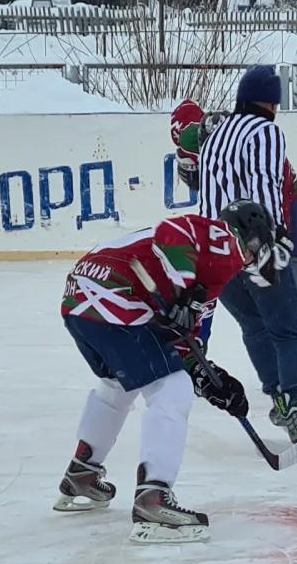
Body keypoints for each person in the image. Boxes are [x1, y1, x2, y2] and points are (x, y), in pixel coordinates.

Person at [54, 201, 276, 544]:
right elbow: (173, 233)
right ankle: (153, 499)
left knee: (118, 385)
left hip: (80, 299)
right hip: (115, 296)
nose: (249, 261)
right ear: (252, 240)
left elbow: (181, 343)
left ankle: (82, 471)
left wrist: (210, 378)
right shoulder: (223, 240)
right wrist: (180, 294)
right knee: (171, 390)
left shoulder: (209, 270)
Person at [197, 66, 297, 444]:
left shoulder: (214, 135)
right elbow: (263, 186)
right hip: (255, 246)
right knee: (287, 328)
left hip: (212, 250)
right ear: (273, 102)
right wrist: (274, 239)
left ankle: (277, 399)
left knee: (254, 327)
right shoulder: (267, 132)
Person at [171, 97, 297, 404]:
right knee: (215, 281)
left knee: (295, 275)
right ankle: (198, 343)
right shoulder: (200, 141)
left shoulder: (224, 137)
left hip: (284, 206)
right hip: (244, 218)